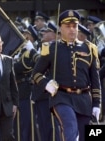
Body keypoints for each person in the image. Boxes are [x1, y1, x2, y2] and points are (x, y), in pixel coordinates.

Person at [32, 10, 101, 141]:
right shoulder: (51, 48)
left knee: (83, 135)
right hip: (61, 97)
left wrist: (97, 104)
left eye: (74, 26)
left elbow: (95, 79)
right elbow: (36, 73)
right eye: (67, 26)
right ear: (60, 28)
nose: (72, 30)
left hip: (84, 99)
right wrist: (46, 83)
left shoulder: (90, 49)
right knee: (70, 127)